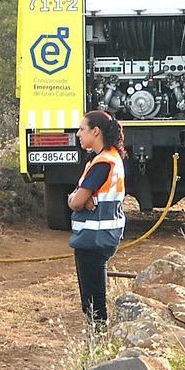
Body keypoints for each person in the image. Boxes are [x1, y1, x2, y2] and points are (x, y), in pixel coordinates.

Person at [67, 110, 127, 328]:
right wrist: (80, 197)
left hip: (94, 238)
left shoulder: (102, 163)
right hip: (102, 236)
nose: (78, 134)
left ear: (96, 131)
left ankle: (98, 341)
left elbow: (75, 201)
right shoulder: (110, 158)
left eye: (82, 129)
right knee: (94, 298)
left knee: (93, 302)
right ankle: (98, 338)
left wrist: (77, 198)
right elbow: (80, 197)